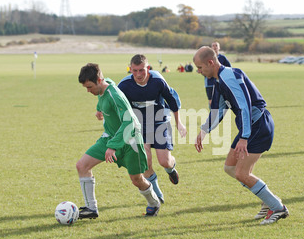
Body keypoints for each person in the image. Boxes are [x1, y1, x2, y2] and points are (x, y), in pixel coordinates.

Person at [193, 46, 289, 225]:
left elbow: (244, 106)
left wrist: (244, 137)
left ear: (210, 63)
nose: (198, 71)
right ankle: (269, 202)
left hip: (257, 126)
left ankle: (277, 208)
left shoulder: (228, 77)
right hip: (250, 126)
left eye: (200, 67)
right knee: (230, 168)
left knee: (241, 173)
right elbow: (218, 110)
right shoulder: (219, 80)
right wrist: (203, 131)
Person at [76, 63, 161, 219]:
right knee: (82, 165)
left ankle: (154, 203)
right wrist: (99, 109)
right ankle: (91, 208)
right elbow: (107, 88)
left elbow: (130, 122)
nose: (88, 91)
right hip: (110, 137)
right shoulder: (103, 88)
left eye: (89, 87)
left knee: (137, 179)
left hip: (130, 142)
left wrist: (114, 147)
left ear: (99, 80)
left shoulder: (115, 96)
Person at [118, 55, 187, 204]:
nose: (138, 74)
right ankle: (157, 193)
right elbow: (113, 100)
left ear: (148, 68)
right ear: (130, 69)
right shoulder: (124, 85)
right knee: (146, 159)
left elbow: (172, 101)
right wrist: (100, 111)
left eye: (141, 70)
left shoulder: (158, 80)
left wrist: (179, 123)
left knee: (164, 161)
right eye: (134, 70)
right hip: (139, 124)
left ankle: (171, 169)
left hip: (159, 120)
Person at [205, 41, 232, 107]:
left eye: (216, 45)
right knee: (211, 101)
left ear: (219, 47)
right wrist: (206, 74)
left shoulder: (222, 58)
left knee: (223, 101)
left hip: (221, 82)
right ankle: (212, 115)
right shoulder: (207, 58)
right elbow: (202, 69)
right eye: (213, 46)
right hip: (210, 83)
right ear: (211, 48)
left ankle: (220, 115)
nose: (214, 47)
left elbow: (229, 68)